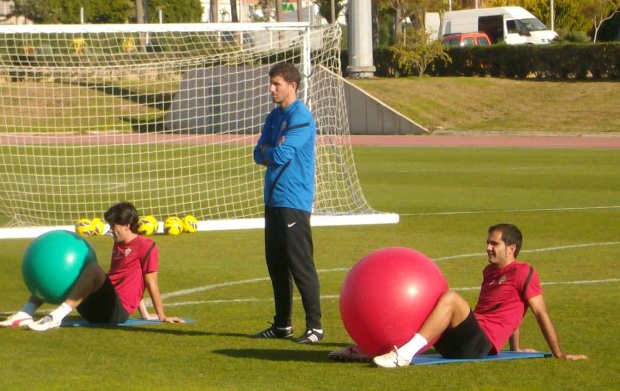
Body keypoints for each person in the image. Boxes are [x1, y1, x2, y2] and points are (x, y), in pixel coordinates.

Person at [329, 224, 588, 367]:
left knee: (450, 298)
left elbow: (539, 312)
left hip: (480, 345)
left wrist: (559, 353)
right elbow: (509, 311)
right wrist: (516, 349)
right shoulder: (489, 272)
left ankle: (403, 355)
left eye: (494, 243)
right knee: (430, 300)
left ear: (511, 248)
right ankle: (371, 349)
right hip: (467, 338)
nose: (487, 247)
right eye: (487, 242)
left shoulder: (525, 272)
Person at [0, 201, 183, 331]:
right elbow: (130, 280)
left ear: (127, 225)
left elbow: (150, 283)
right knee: (65, 271)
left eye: (114, 225)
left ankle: (55, 318)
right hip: (100, 307)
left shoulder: (146, 246)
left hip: (116, 312)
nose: (111, 229)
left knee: (93, 269)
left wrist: (161, 316)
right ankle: (25, 312)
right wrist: (144, 313)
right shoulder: (118, 244)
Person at [251, 62, 323, 345]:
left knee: (300, 264)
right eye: (271, 83)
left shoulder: (301, 118)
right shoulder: (273, 117)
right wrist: (271, 150)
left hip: (294, 200)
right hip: (272, 199)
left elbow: (279, 156)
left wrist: (272, 150)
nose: (271, 89)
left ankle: (315, 327)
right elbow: (259, 153)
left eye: (276, 84)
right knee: (276, 264)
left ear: (292, 86)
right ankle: (282, 324)